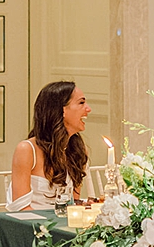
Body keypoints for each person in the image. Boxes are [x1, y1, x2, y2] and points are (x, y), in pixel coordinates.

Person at [6, 81, 91, 211]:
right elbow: (21, 208)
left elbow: (73, 206)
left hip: (63, 227)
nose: (88, 109)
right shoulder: (27, 150)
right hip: (32, 226)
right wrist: (49, 229)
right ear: (61, 110)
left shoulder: (78, 151)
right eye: (81, 103)